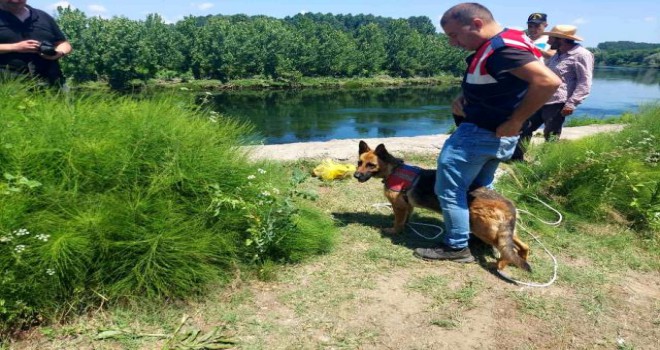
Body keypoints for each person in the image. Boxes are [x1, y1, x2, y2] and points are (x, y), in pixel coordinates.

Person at [414, 3, 560, 262]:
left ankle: (456, 246)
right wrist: (463, 97)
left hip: (479, 135)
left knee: (448, 190)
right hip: (493, 136)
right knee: (479, 188)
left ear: (477, 24)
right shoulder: (508, 40)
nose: (452, 43)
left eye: (454, 35)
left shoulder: (502, 48)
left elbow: (547, 82)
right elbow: (503, 85)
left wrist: (516, 120)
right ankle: (478, 232)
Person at [511, 25, 594, 162]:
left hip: (558, 102)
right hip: (541, 99)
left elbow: (585, 82)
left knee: (551, 135)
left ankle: (545, 162)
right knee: (524, 126)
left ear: (560, 39)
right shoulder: (558, 54)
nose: (548, 41)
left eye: (550, 38)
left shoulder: (582, 55)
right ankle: (516, 159)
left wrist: (571, 103)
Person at [0, 0, 72, 86]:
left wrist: (58, 53)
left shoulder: (43, 16)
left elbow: (63, 43)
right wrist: (15, 47)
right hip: (7, 85)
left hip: (51, 83)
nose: (16, 1)